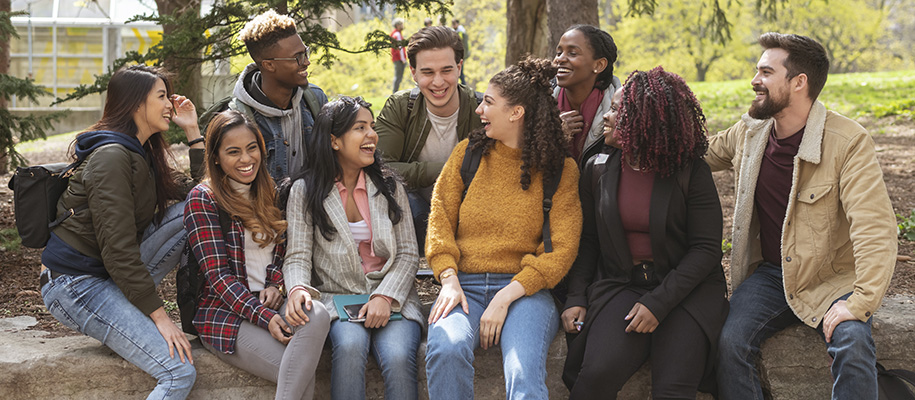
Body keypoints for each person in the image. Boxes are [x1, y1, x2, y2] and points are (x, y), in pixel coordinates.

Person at [707, 32, 897, 400]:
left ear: (798, 83)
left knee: (853, 342)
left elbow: (874, 229)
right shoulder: (750, 132)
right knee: (729, 343)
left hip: (833, 276)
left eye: (765, 72)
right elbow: (696, 153)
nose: (754, 80)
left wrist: (859, 302)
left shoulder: (848, 141)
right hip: (771, 275)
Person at [561, 67, 729, 399]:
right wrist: (576, 296)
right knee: (594, 376)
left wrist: (658, 303)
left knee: (673, 388)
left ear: (646, 121)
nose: (606, 116)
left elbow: (706, 250)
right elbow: (590, 241)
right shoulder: (597, 168)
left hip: (687, 290)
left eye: (617, 110)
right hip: (623, 284)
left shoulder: (690, 171)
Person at [424, 57, 582, 400]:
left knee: (522, 371)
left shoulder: (560, 171)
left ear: (516, 113)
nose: (480, 109)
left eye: (488, 102)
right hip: (461, 284)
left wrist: (505, 297)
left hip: (525, 292)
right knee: (445, 350)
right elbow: (439, 220)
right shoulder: (468, 154)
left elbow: (561, 251)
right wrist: (448, 279)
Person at [39, 65, 198, 399]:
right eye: (161, 96)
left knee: (193, 210)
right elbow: (118, 250)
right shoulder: (111, 157)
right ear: (136, 104)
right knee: (179, 371)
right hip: (75, 285)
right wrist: (160, 317)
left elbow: (204, 194)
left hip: (106, 274)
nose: (170, 103)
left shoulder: (139, 153)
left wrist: (194, 132)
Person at [184, 110, 330, 400]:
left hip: (269, 301)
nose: (246, 159)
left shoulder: (270, 190)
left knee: (318, 314)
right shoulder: (204, 199)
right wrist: (264, 317)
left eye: (252, 148)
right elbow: (218, 278)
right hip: (225, 314)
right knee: (300, 371)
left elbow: (282, 248)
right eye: (233, 152)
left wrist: (276, 284)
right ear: (215, 157)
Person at [284, 97, 424, 400]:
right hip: (338, 299)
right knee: (349, 347)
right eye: (360, 128)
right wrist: (297, 289)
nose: (371, 135)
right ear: (334, 141)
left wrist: (385, 296)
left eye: (372, 127)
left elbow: (409, 253)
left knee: (399, 357)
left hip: (393, 296)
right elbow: (296, 255)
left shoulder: (389, 186)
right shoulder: (306, 191)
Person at [376, 25, 482, 254]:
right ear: (413, 73)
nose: (438, 82)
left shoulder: (481, 110)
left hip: (472, 213)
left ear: (459, 67)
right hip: (415, 211)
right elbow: (381, 169)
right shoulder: (401, 107)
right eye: (427, 72)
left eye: (446, 70)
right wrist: (444, 169)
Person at [202, 10, 328, 182]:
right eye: (297, 57)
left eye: (305, 52)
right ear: (269, 65)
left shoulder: (315, 99)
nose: (306, 62)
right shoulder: (238, 116)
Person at [552, 24, 621, 165]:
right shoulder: (537, 100)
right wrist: (552, 132)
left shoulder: (622, 112)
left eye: (572, 53)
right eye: (559, 53)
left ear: (599, 65)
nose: (560, 59)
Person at [391, 18, 408, 93]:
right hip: (399, 59)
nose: (402, 26)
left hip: (398, 59)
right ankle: (395, 92)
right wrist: (403, 59)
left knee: (398, 77)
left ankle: (395, 92)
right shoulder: (397, 35)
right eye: (401, 24)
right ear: (397, 25)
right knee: (398, 77)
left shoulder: (397, 34)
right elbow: (400, 48)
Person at [451, 19, 469, 85]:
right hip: (456, 54)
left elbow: (464, 45)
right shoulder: (454, 31)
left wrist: (464, 55)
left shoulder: (461, 32)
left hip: (461, 54)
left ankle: (463, 84)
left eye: (454, 24)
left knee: (460, 70)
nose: (453, 25)